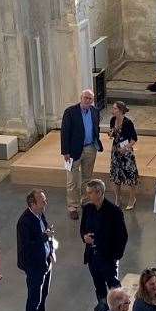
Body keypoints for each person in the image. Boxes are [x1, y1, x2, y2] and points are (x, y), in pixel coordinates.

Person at [81, 179, 129, 311]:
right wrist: (84, 238)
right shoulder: (88, 208)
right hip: (92, 256)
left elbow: (122, 236)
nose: (87, 195)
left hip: (108, 257)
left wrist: (115, 256)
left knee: (114, 287)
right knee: (99, 287)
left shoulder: (114, 211)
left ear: (99, 192)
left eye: (90, 193)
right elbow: (83, 229)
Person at [17, 188, 60, 311]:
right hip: (34, 266)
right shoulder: (24, 222)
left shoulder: (40, 214)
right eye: (42, 201)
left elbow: (46, 232)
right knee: (34, 298)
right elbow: (26, 247)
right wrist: (44, 237)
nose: (45, 203)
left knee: (44, 294)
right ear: (32, 203)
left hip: (45, 261)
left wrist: (50, 248)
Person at [62, 88, 104, 219]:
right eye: (86, 97)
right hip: (73, 151)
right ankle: (73, 206)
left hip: (90, 148)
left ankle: (85, 201)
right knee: (72, 181)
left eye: (90, 99)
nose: (88, 100)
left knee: (87, 178)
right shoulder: (70, 112)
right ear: (81, 98)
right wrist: (65, 151)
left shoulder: (95, 111)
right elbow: (64, 132)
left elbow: (96, 128)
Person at [108, 100, 140, 210]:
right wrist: (111, 133)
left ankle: (132, 199)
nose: (113, 110)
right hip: (116, 151)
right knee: (116, 175)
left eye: (115, 108)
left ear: (121, 110)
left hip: (126, 152)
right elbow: (112, 132)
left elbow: (134, 139)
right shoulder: (113, 120)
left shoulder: (128, 123)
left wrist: (125, 148)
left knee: (130, 176)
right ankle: (117, 198)